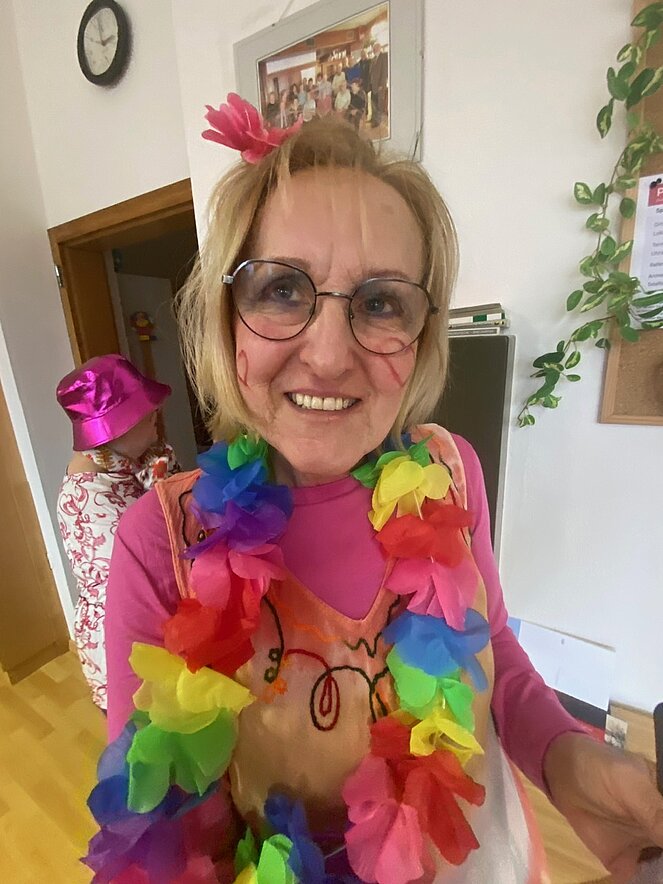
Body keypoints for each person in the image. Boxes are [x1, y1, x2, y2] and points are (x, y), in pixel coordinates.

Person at [85, 97, 663, 883]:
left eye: (381, 302)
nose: (328, 356)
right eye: (281, 290)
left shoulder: (448, 468)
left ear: (420, 337)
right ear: (227, 316)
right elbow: (160, 835)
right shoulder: (162, 544)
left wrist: (567, 762)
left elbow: (490, 648)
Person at [56, 354, 179, 711]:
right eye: (145, 413)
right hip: (125, 638)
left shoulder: (135, 463)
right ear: (116, 429)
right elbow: (155, 566)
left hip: (156, 619)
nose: (156, 413)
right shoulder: (87, 499)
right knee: (147, 725)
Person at [370, 41, 389, 128]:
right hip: (373, 85)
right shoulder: (373, 59)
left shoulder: (383, 57)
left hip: (380, 86)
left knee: (378, 104)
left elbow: (384, 72)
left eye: (375, 48)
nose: (374, 50)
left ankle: (377, 121)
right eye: (373, 48)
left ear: (379, 48)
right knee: (373, 102)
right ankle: (373, 118)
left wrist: (381, 84)